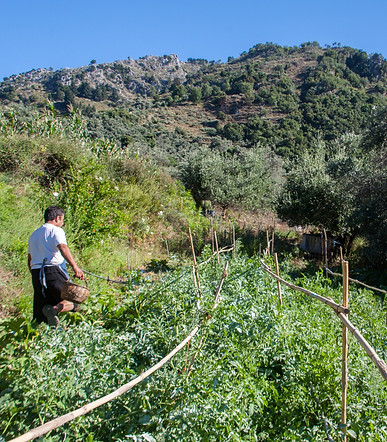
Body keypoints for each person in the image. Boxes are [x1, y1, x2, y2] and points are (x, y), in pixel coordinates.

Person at [28, 205, 84, 326]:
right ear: (57, 218)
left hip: (37, 272)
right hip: (53, 271)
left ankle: (40, 333)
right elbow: (62, 247)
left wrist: (34, 273)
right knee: (72, 300)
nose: (62, 223)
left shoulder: (34, 234)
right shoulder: (56, 230)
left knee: (42, 305)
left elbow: (30, 258)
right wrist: (75, 266)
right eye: (62, 219)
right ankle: (54, 310)